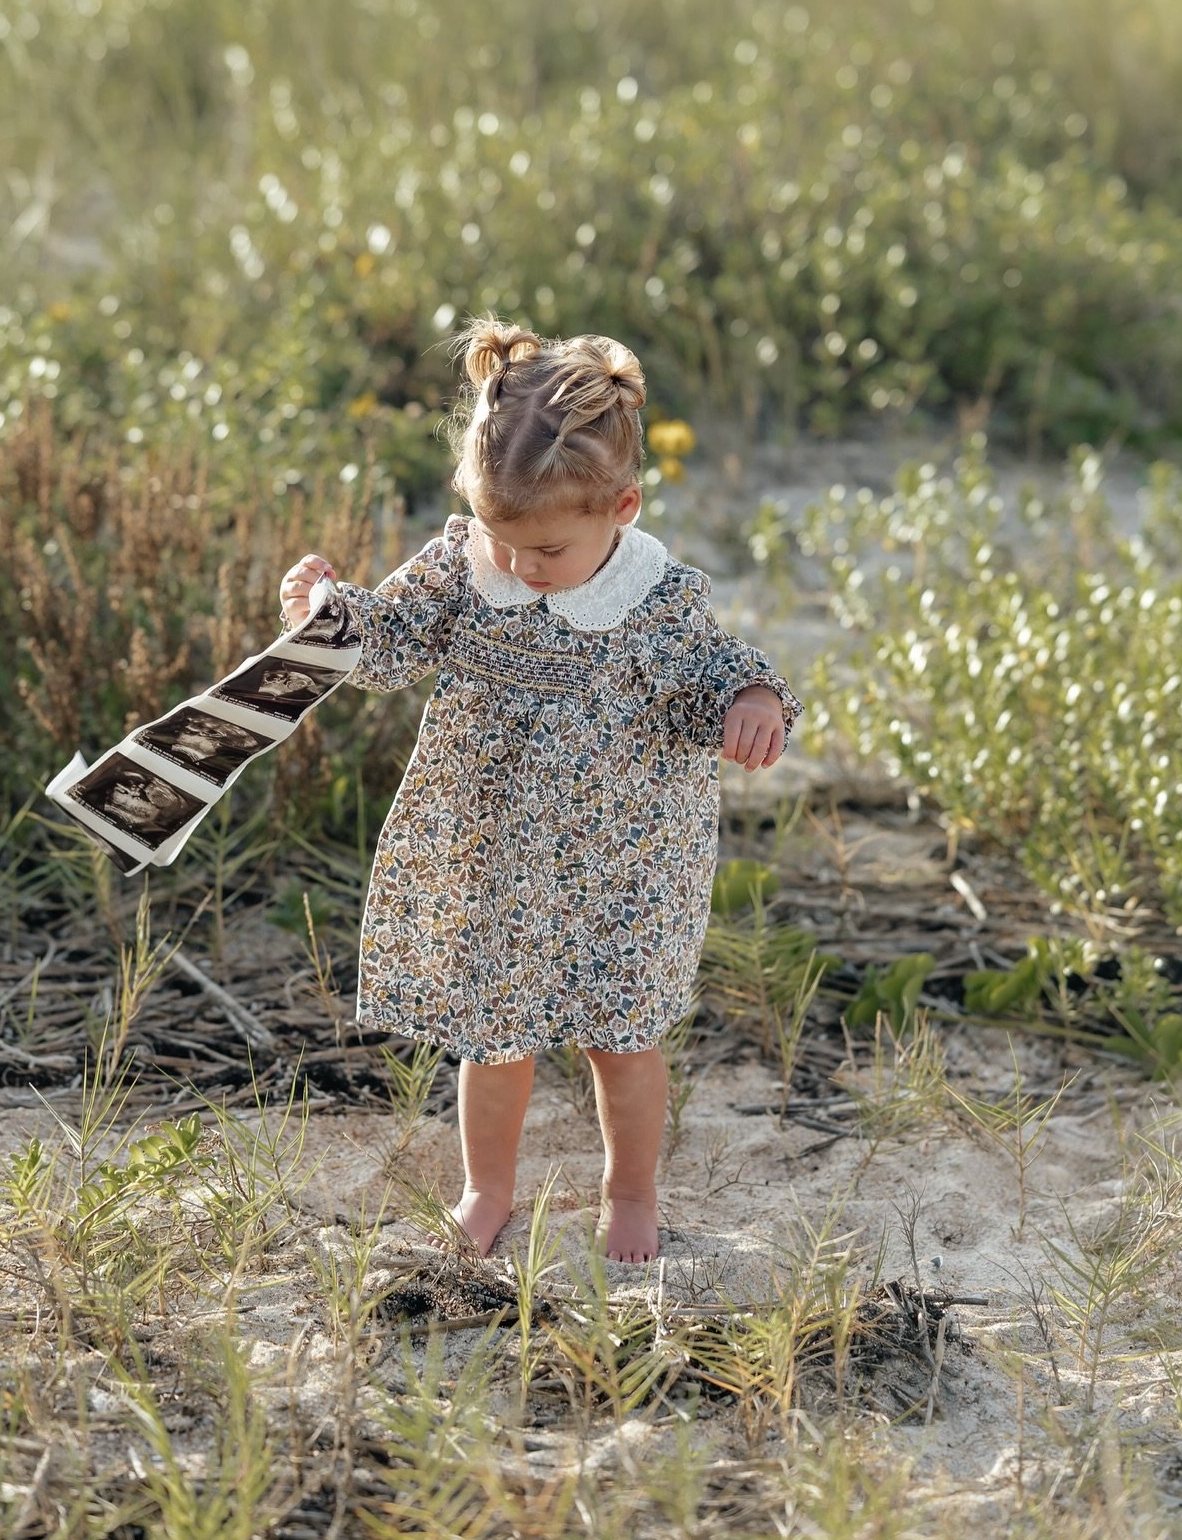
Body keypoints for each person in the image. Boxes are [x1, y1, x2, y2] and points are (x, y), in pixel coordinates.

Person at [278, 318, 803, 1265]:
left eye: (550, 550)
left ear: (624, 507)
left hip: (627, 857)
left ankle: (632, 1193)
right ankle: (488, 1189)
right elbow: (388, 642)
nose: (523, 566)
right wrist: (330, 612)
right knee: (495, 1033)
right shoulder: (460, 570)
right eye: (500, 536)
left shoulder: (658, 598)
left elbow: (721, 672)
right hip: (496, 850)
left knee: (622, 1038)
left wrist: (755, 700)